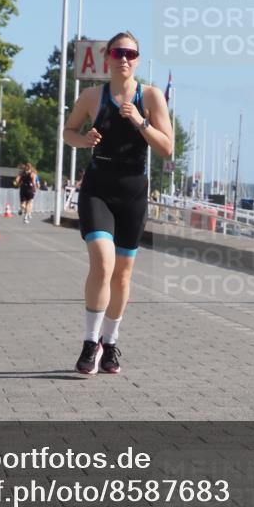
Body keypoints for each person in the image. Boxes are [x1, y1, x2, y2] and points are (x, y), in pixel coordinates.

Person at [62, 32, 172, 376]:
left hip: (133, 193)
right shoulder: (92, 96)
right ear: (107, 57)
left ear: (137, 59)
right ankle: (89, 342)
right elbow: (68, 132)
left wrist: (140, 121)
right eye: (117, 53)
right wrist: (84, 139)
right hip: (98, 188)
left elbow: (167, 148)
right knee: (103, 263)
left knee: (122, 275)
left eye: (130, 53)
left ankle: (110, 343)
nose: (124, 58)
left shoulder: (150, 96)